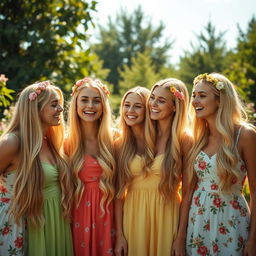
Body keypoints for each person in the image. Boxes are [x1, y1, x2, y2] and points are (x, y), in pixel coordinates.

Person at [173, 73, 256, 256]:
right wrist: (180, 237)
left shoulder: (245, 135)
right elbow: (187, 192)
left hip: (232, 221)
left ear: (220, 100)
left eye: (202, 95)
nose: (195, 101)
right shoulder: (196, 139)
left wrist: (253, 238)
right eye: (194, 95)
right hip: (198, 221)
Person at [0, 81, 73, 256]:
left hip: (55, 222)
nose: (61, 110)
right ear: (35, 108)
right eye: (54, 105)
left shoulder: (51, 143)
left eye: (60, 105)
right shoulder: (13, 142)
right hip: (20, 224)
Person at [65, 77, 116, 256]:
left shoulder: (115, 140)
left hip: (110, 215)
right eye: (84, 100)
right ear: (76, 104)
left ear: (103, 106)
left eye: (96, 101)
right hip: (77, 216)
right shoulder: (66, 143)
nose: (90, 106)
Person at [114, 86, 150, 256]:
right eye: (126, 105)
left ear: (148, 109)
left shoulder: (162, 140)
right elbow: (119, 195)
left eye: (137, 106)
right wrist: (120, 235)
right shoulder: (120, 144)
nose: (130, 110)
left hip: (165, 212)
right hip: (133, 215)